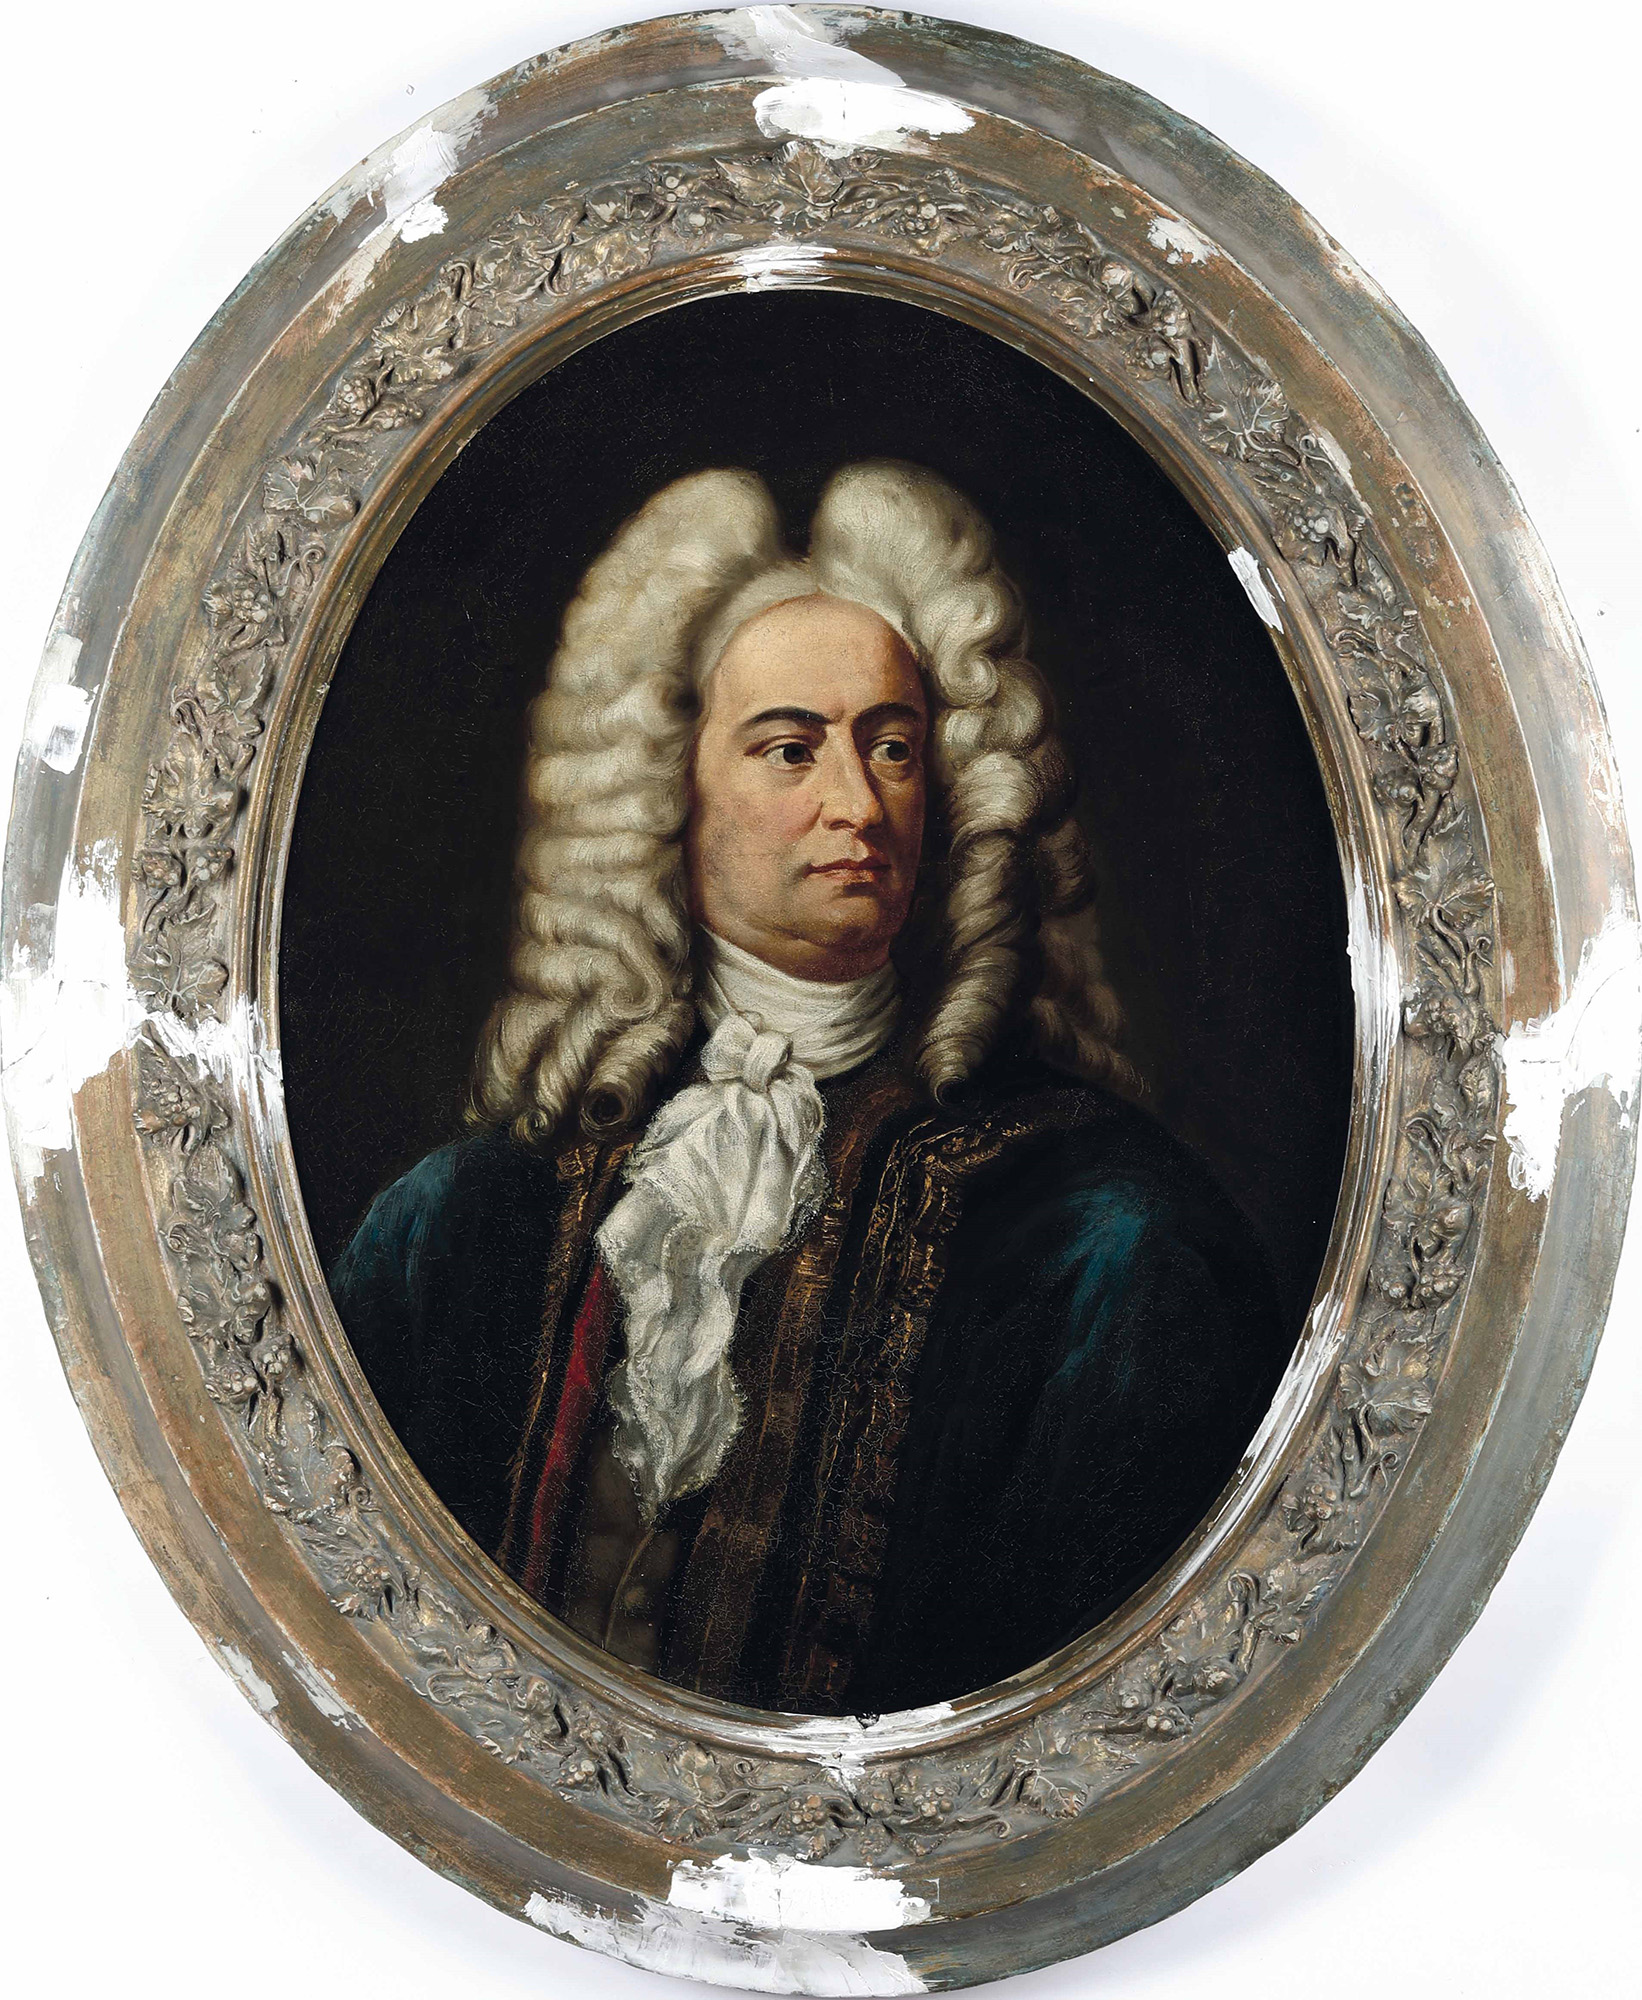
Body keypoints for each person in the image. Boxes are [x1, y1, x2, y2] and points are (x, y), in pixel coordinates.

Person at [330, 460, 1285, 1716]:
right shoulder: (455, 1223)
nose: (856, 804)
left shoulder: (1104, 1242)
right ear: (666, 784)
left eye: (891, 748)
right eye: (790, 750)